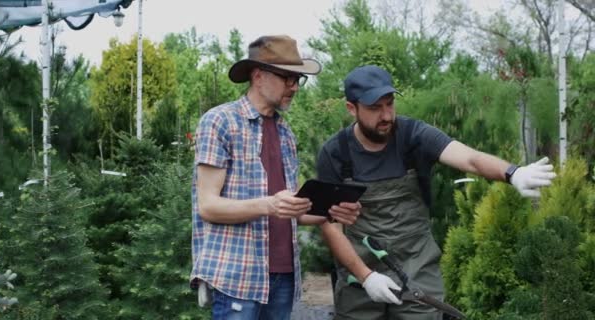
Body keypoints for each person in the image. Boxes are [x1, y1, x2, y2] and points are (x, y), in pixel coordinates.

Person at [316, 65, 557, 320]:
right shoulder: (336, 153)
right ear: (352, 108)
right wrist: (366, 277)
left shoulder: (412, 135)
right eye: (375, 108)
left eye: (390, 104)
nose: (386, 115)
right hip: (358, 268)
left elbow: (470, 159)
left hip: (415, 263)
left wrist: (512, 173)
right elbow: (329, 225)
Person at [190, 35, 361, 320]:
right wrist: (269, 205)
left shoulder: (285, 133)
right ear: (258, 75)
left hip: (283, 277)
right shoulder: (219, 121)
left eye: (298, 79)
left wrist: (333, 211)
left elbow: (292, 209)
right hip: (237, 277)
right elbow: (208, 206)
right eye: (288, 78)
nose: (294, 87)